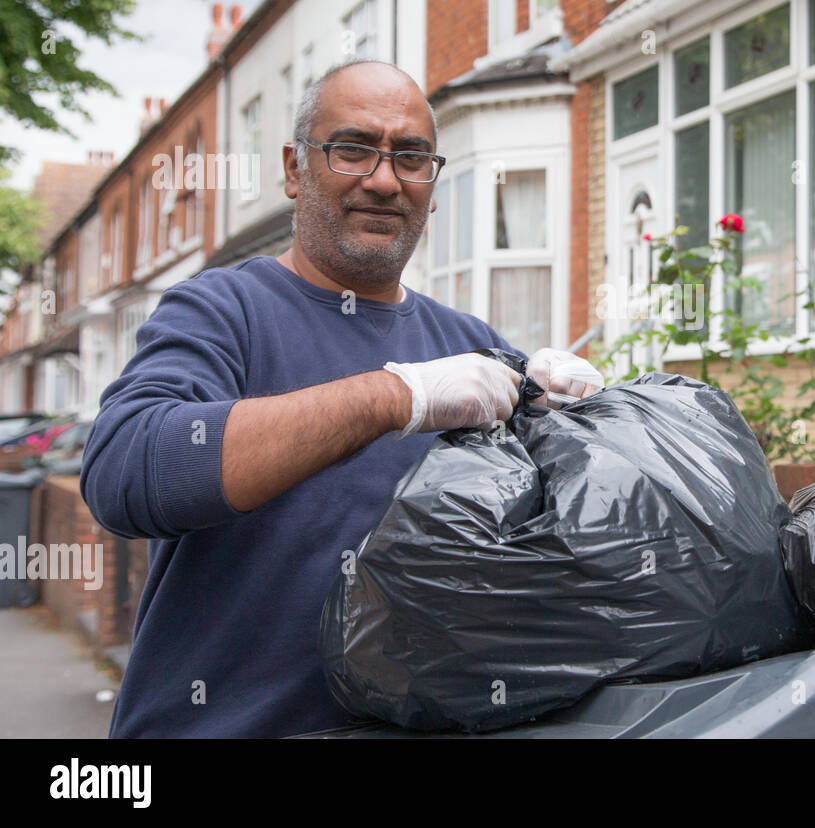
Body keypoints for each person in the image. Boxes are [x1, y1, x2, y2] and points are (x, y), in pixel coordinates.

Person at [81, 59, 603, 738]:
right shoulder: (225, 309)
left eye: (410, 157)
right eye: (353, 148)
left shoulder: (471, 344)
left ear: (433, 185)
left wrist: (581, 421)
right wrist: (394, 396)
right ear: (296, 170)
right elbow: (125, 473)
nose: (384, 181)